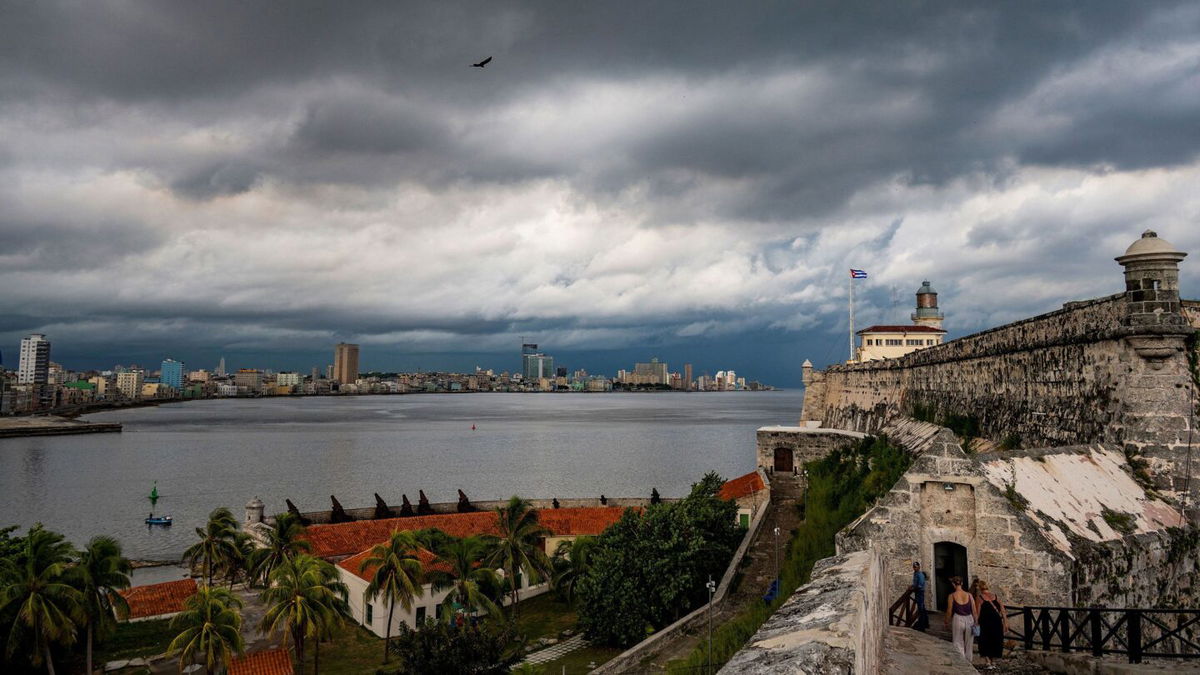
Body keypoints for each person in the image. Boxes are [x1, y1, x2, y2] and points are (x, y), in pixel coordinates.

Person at [944, 576, 977, 663]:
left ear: (953, 584)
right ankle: (969, 661)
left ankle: (961, 662)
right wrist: (976, 622)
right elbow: (974, 610)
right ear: (962, 583)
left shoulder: (952, 596)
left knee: (958, 642)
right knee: (969, 643)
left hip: (958, 618)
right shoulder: (969, 595)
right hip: (969, 619)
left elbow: (949, 610)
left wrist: (946, 621)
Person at [975, 580, 1007, 669]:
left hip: (985, 622)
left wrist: (976, 622)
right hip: (997, 622)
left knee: (984, 640)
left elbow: (978, 612)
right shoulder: (996, 597)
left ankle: (988, 662)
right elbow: (1003, 610)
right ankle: (993, 662)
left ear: (980, 589)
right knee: (995, 640)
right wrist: (1005, 622)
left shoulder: (979, 598)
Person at [909, 561, 929, 631]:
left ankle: (922, 626)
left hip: (920, 592)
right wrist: (911, 586)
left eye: (916, 567)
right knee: (922, 608)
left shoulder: (920, 575)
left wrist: (913, 588)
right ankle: (925, 623)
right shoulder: (915, 574)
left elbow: (920, 585)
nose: (915, 568)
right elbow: (915, 583)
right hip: (917, 592)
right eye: (914, 567)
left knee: (921, 608)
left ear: (919, 567)